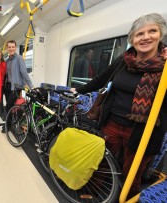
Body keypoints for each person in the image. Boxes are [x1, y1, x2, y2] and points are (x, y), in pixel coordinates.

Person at [71, 13, 167, 198]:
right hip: (112, 123)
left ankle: (125, 198)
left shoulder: (165, 65)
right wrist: (78, 91)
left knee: (132, 172)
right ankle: (92, 193)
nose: (146, 37)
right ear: (132, 39)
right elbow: (101, 79)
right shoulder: (124, 60)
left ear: (160, 35)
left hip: (144, 130)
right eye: (139, 34)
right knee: (101, 161)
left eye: (152, 31)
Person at [2, 40, 34, 133]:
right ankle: (12, 123)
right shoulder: (7, 60)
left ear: (15, 48)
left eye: (13, 47)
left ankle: (8, 126)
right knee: (10, 106)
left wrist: (31, 86)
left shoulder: (19, 58)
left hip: (16, 87)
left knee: (8, 107)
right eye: (9, 47)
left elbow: (24, 73)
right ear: (7, 48)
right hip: (7, 87)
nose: (11, 48)